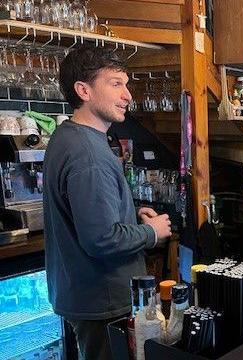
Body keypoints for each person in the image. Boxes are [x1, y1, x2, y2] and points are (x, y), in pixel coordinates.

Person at [43, 46, 172, 360]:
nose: (128, 95)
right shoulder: (89, 154)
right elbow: (101, 239)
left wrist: (129, 213)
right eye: (116, 84)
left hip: (84, 295)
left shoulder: (68, 136)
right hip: (103, 302)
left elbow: (89, 213)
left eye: (126, 84)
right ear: (84, 90)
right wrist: (152, 232)